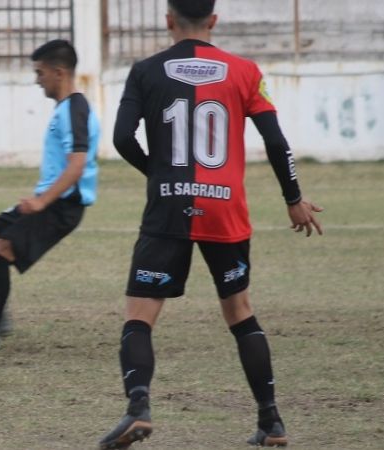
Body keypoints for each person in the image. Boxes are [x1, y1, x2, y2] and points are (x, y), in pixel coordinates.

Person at [98, 1, 323, 448]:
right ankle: (271, 421)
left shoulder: (145, 70)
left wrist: (159, 174)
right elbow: (276, 140)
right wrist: (293, 198)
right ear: (214, 21)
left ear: (168, 20)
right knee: (240, 313)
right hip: (226, 211)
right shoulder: (245, 71)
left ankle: (138, 408)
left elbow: (123, 137)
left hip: (167, 208)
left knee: (139, 317)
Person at [0, 39, 100, 353]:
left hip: (61, 206)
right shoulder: (66, 108)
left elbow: (77, 166)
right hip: (48, 200)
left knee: (0, 251)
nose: (37, 80)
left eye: (40, 73)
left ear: (59, 73)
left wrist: (41, 202)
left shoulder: (76, 108)